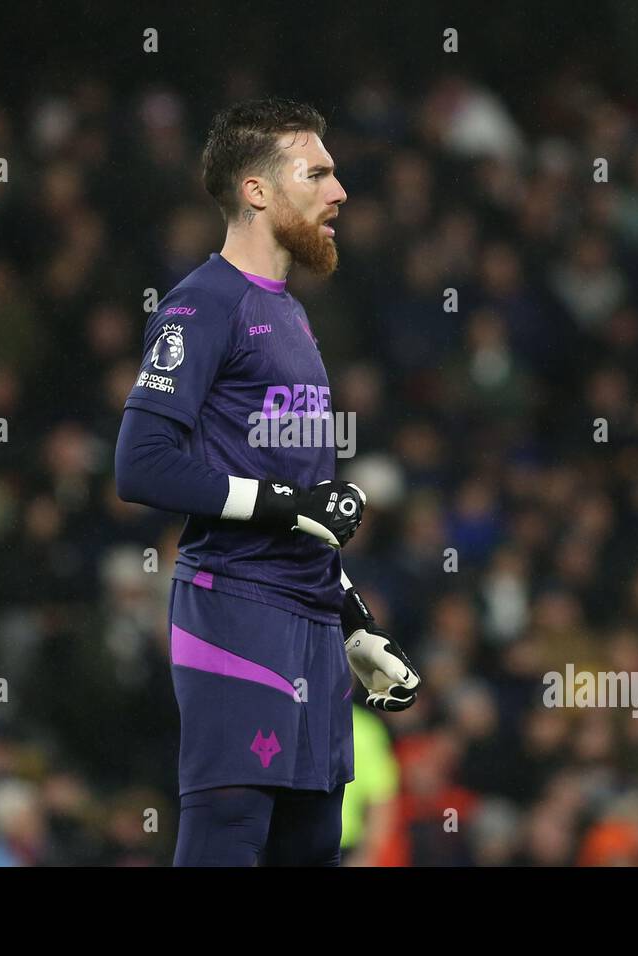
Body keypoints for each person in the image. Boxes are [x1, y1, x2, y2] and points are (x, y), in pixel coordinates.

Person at [115, 97, 421, 866]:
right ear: (256, 190)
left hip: (311, 624)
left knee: (312, 847)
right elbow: (140, 462)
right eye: (316, 172)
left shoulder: (289, 316)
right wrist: (282, 504)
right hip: (235, 611)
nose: (339, 191)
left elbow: (302, 495)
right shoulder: (200, 307)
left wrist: (352, 621)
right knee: (229, 838)